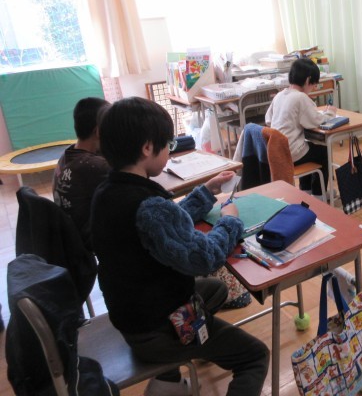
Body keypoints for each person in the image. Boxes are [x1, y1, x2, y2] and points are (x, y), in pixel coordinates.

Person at [91, 97, 269, 396]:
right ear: (147, 147)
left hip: (130, 313)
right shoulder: (148, 206)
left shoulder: (107, 191)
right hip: (157, 330)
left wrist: (207, 191)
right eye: (168, 145)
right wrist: (230, 221)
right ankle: (178, 357)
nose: (169, 152)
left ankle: (179, 366)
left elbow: (163, 228)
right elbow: (205, 258)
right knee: (255, 356)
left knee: (216, 289)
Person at [265, 58, 336, 197]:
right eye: (313, 85)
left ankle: (305, 190)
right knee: (323, 151)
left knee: (307, 146)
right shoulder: (300, 97)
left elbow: (268, 120)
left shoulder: (280, 95)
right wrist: (330, 112)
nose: (313, 89)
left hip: (276, 150)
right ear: (308, 80)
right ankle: (319, 195)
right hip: (291, 152)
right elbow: (316, 121)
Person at [53, 97, 111, 248]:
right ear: (98, 131)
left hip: (71, 235)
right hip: (90, 238)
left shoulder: (68, 155)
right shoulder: (94, 166)